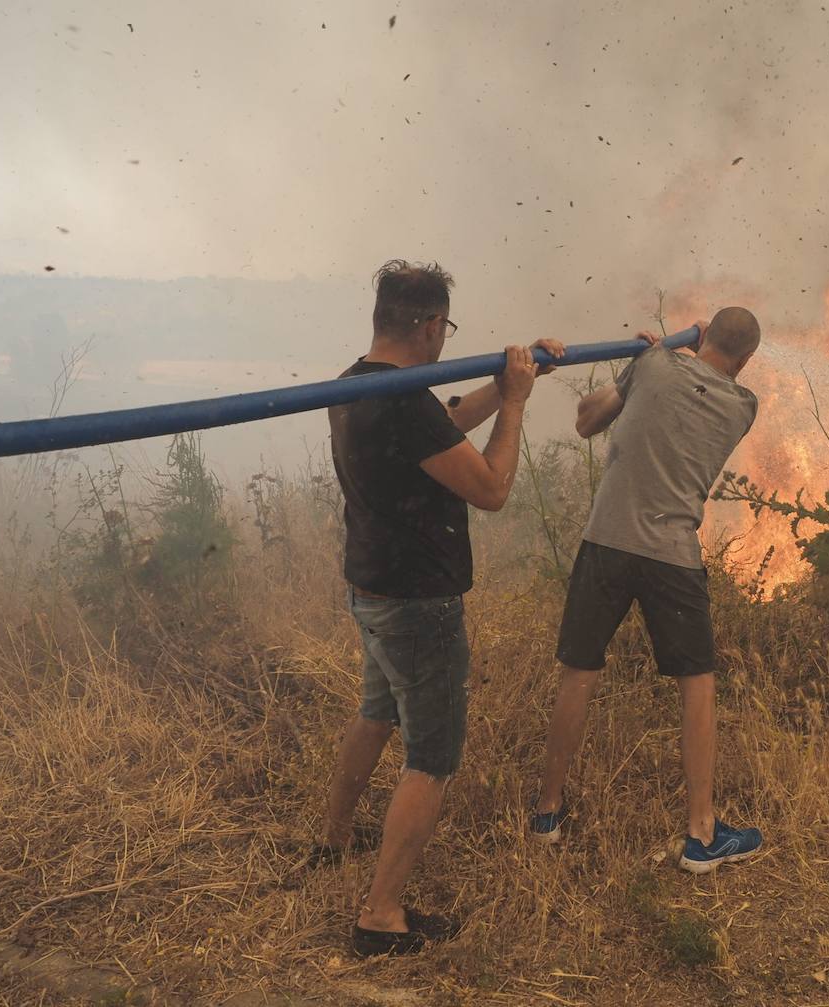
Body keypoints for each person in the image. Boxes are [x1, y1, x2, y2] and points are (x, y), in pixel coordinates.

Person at [320, 259, 563, 957]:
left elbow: (443, 423)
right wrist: (515, 406)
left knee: (376, 712)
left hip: (372, 590)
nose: (444, 340)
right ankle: (381, 914)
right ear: (429, 326)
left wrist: (503, 384)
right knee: (431, 756)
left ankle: (331, 839)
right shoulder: (402, 401)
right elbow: (489, 487)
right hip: (418, 604)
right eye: (444, 329)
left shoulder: (357, 382)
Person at [531, 307, 765, 873]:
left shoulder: (653, 365)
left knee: (578, 671)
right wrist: (653, 362)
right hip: (672, 555)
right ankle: (701, 836)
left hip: (606, 541)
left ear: (702, 333)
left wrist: (641, 362)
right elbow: (697, 395)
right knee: (697, 685)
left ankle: (546, 813)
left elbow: (587, 422)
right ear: (747, 360)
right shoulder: (743, 406)